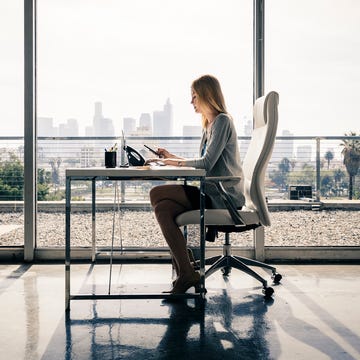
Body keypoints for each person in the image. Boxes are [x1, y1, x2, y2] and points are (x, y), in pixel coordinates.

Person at [146, 74, 245, 294]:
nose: (191, 102)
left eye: (194, 96)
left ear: (207, 95)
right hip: (211, 190)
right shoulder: (209, 125)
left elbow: (206, 164)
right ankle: (186, 271)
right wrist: (171, 156)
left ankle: (186, 265)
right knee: (163, 208)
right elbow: (201, 162)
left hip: (223, 195)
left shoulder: (222, 121)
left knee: (155, 194)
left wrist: (169, 162)